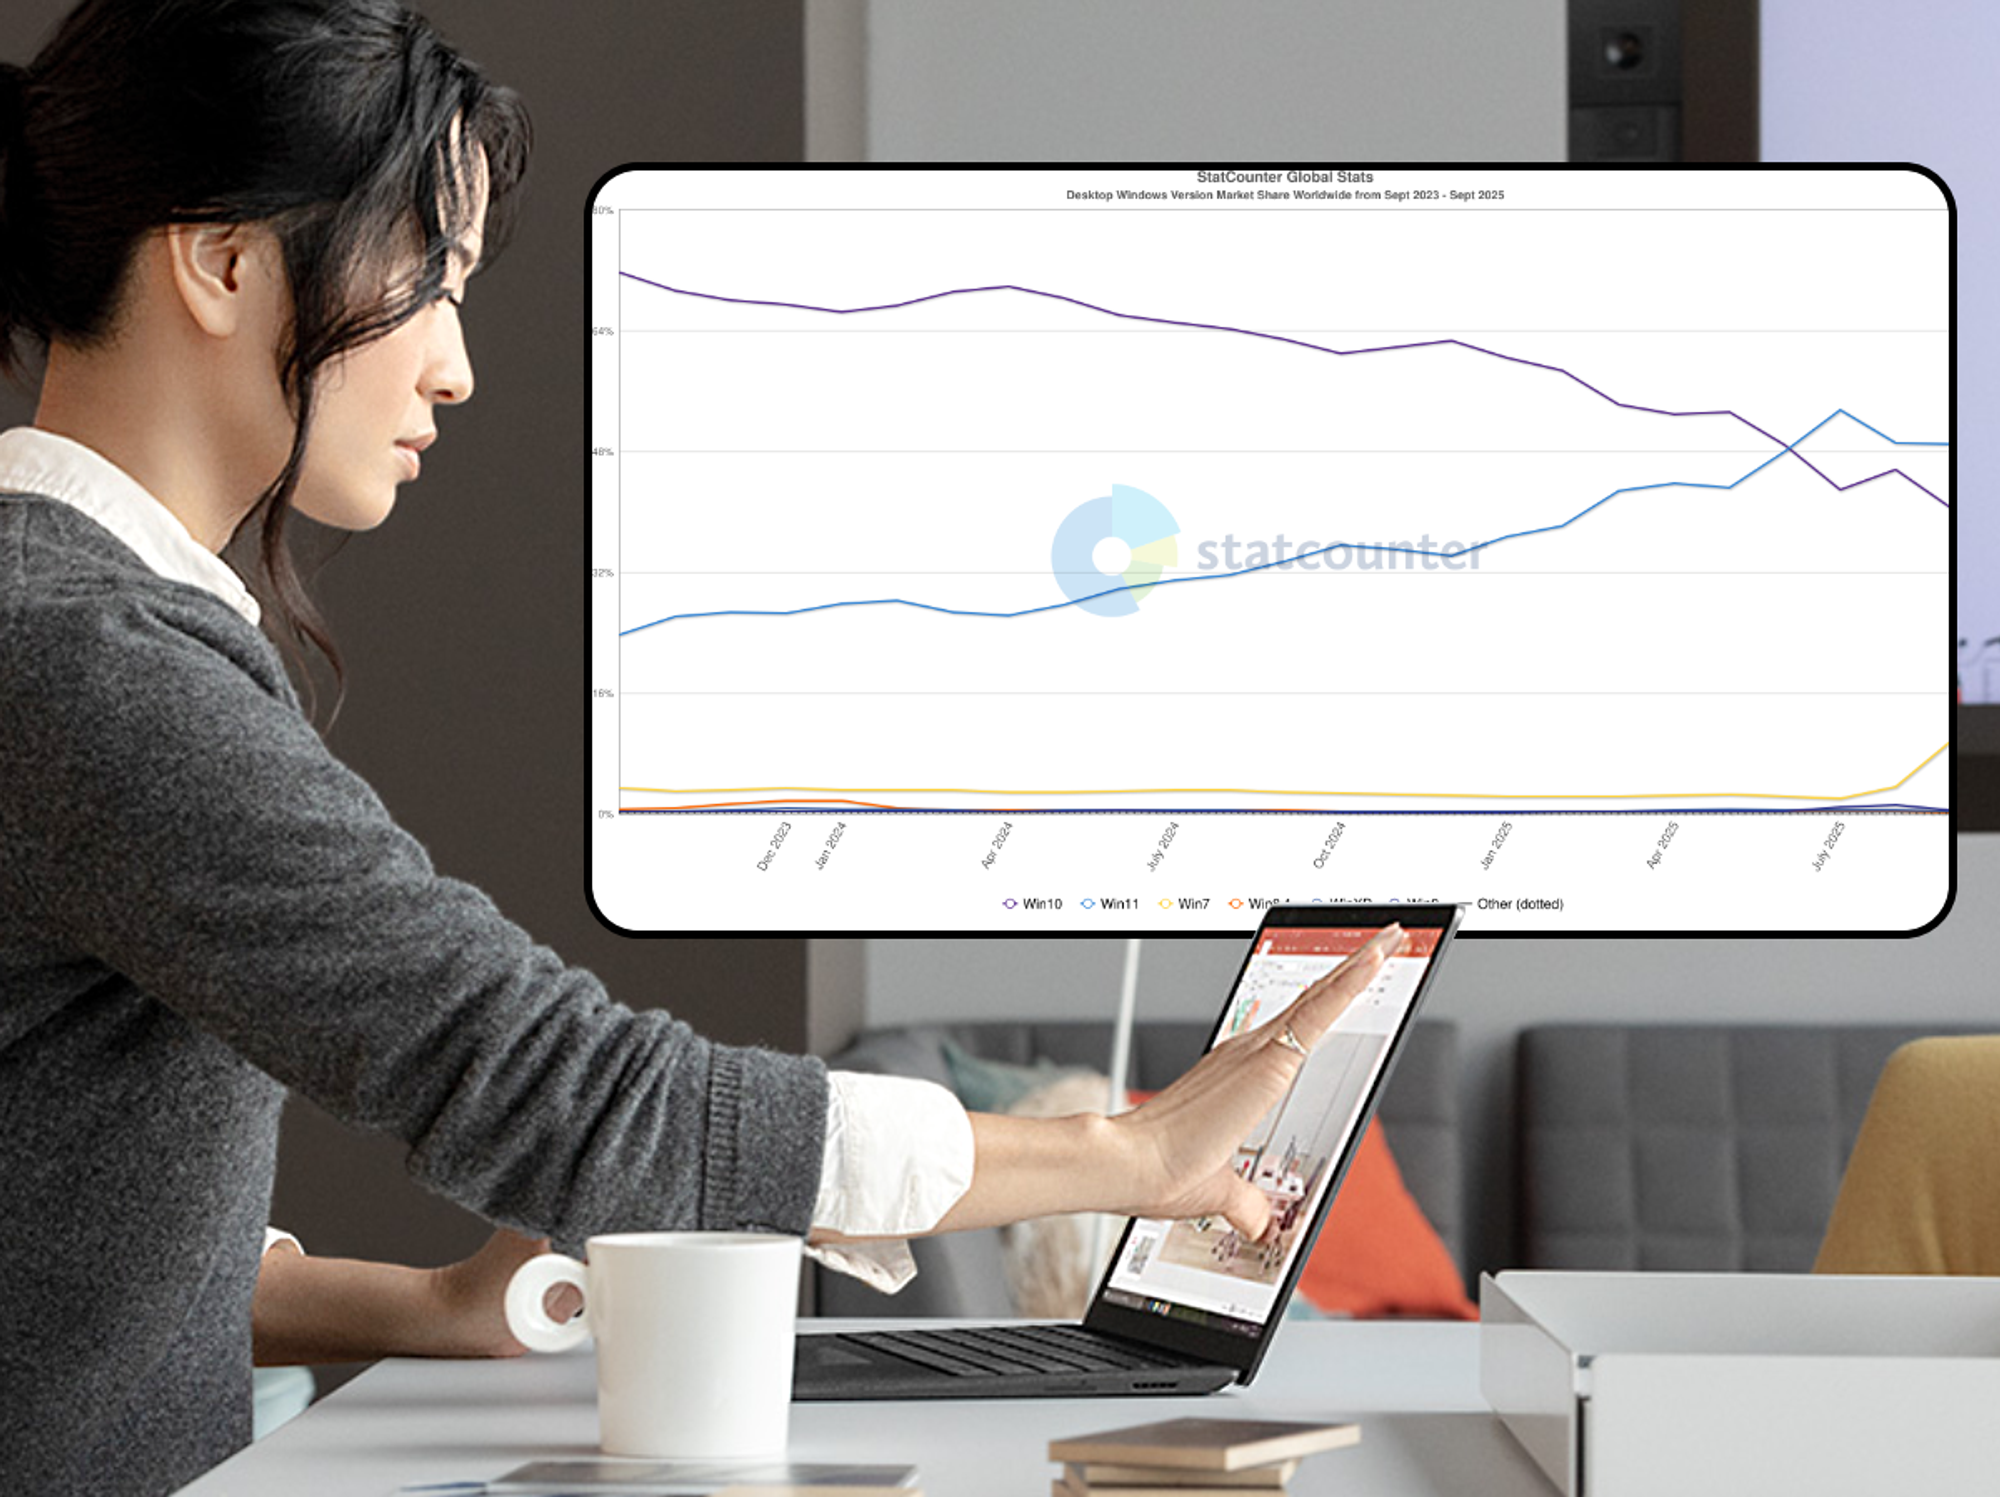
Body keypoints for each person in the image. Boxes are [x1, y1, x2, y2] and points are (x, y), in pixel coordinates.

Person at [0, 4, 1397, 1495]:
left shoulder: (71, 631)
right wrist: (1132, 1164)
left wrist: (417, 1311)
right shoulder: (89, 670)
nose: (454, 367)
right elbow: (567, 1090)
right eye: (426, 282)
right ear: (222, 262)